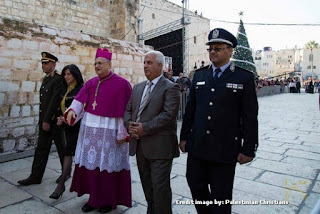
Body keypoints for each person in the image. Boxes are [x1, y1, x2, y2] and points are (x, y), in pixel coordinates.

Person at [179, 28, 259, 214]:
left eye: (218, 48)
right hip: (198, 146)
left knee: (221, 196)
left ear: (230, 50)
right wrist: (184, 137)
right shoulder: (199, 75)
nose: (213, 52)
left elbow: (250, 117)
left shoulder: (243, 77)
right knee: (195, 184)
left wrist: (248, 148)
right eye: (210, 49)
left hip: (224, 149)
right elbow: (190, 110)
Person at [65, 48, 132, 213]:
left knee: (107, 167)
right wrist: (73, 110)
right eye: (95, 63)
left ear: (109, 64)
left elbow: (128, 111)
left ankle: (107, 201)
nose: (97, 66)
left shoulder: (122, 84)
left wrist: (124, 133)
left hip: (110, 131)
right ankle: (93, 199)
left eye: (100, 63)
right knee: (92, 166)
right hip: (90, 132)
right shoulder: (91, 82)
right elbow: (79, 100)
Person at [124, 50, 181, 214]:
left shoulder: (171, 87)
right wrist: (130, 126)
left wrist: (144, 129)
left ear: (160, 66)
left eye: (149, 62)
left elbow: (168, 115)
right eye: (144, 62)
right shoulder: (138, 88)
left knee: (160, 189)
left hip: (160, 148)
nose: (145, 65)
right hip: (140, 147)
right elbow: (128, 110)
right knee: (147, 187)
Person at [18, 52, 65, 186]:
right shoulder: (46, 79)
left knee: (62, 148)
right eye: (42, 63)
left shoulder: (58, 79)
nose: (43, 65)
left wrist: (46, 120)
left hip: (54, 121)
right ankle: (35, 176)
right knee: (41, 148)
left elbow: (54, 101)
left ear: (53, 64)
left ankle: (65, 173)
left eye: (46, 63)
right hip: (45, 119)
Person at [49, 64, 84, 199]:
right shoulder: (65, 89)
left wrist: (65, 119)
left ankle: (61, 184)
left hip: (77, 127)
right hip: (66, 127)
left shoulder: (81, 89)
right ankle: (64, 181)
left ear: (75, 75)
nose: (66, 77)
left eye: (69, 74)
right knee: (67, 153)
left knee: (69, 153)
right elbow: (62, 108)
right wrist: (60, 117)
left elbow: (80, 110)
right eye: (65, 74)